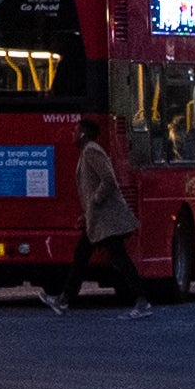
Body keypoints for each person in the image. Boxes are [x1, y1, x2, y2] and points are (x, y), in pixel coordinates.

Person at [67, 127, 142, 306]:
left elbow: (109, 179)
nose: (72, 134)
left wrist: (95, 201)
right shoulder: (87, 151)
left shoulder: (92, 150)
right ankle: (64, 299)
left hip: (106, 219)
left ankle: (142, 300)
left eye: (75, 131)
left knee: (120, 259)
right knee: (81, 256)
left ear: (83, 134)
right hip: (97, 219)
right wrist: (86, 214)